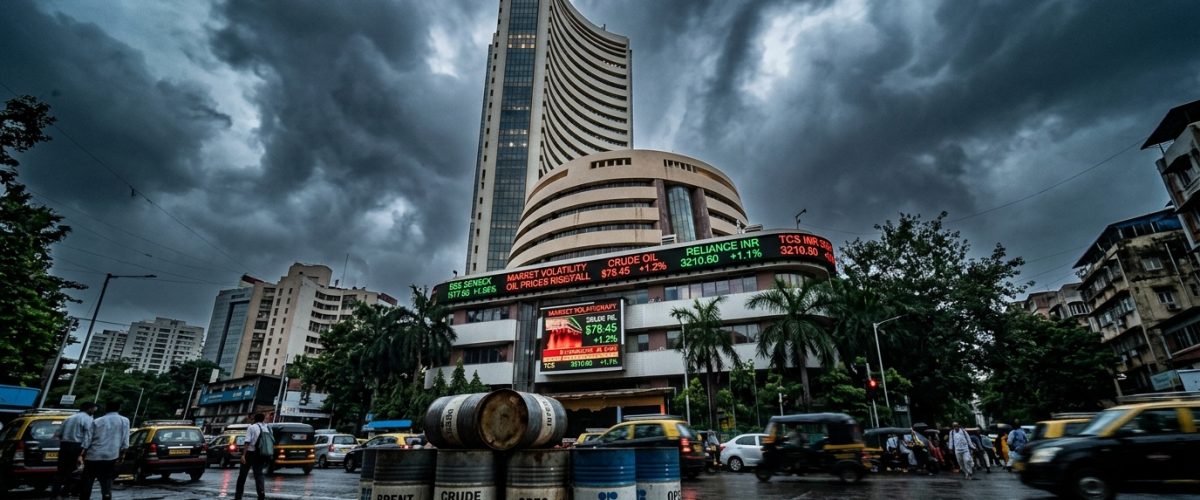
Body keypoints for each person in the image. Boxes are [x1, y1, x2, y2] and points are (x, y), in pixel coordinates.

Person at [79, 401, 129, 500]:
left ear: (106, 409)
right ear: (119, 408)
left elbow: (87, 439)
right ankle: (106, 496)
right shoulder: (124, 421)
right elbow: (125, 440)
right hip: (111, 456)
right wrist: (123, 455)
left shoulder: (97, 421)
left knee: (88, 481)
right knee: (106, 481)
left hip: (93, 455)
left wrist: (81, 453)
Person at [52, 402, 97, 499]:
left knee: (61, 471)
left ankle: (54, 494)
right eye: (94, 409)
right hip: (77, 446)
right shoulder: (88, 419)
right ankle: (67, 491)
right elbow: (88, 436)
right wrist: (83, 450)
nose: (94, 411)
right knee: (76, 471)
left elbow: (58, 433)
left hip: (65, 446)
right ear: (89, 409)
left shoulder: (69, 418)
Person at [235, 413, 269, 500]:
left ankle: (238, 496)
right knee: (259, 475)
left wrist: (243, 455)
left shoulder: (252, 427)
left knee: (242, 475)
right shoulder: (267, 428)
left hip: (250, 453)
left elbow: (247, 442)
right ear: (263, 419)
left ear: (255, 419)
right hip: (261, 454)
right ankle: (261, 495)